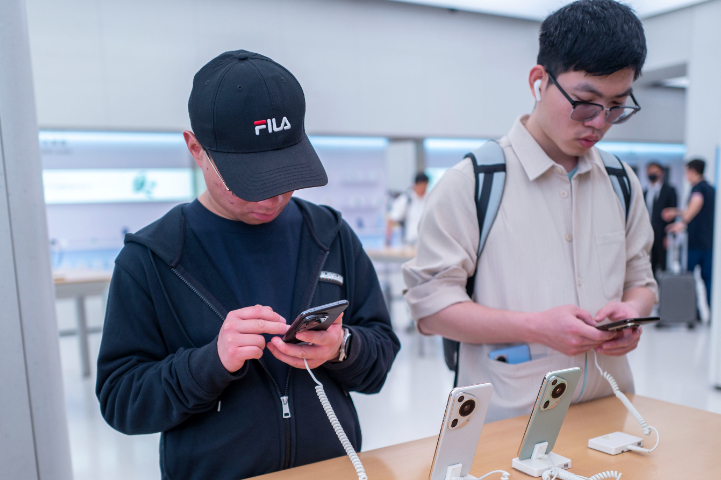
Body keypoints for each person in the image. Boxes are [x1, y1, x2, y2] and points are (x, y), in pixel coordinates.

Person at [95, 50, 400, 480]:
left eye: (285, 175)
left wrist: (343, 346)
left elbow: (381, 355)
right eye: (250, 180)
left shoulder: (328, 233)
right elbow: (121, 400)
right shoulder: (151, 258)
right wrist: (209, 363)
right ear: (196, 149)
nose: (271, 197)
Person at [403, 0, 657, 422]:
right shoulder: (473, 182)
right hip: (508, 426)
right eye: (586, 102)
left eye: (617, 107)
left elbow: (641, 279)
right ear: (539, 80)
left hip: (611, 414)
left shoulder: (620, 180)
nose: (599, 122)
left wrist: (632, 311)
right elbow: (431, 310)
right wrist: (536, 327)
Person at [663, 158, 715, 310]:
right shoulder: (710, 189)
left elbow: (696, 204)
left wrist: (682, 222)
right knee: (708, 280)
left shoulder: (697, 189)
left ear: (692, 171)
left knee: (689, 280)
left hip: (695, 243)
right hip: (708, 243)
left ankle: (692, 312)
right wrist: (677, 212)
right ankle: (711, 311)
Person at [644, 162, 677, 274]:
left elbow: (672, 213)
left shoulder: (669, 191)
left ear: (661, 173)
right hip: (647, 233)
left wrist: (669, 235)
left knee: (662, 263)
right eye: (649, 171)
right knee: (648, 263)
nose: (651, 173)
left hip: (662, 233)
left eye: (654, 171)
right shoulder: (644, 192)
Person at [386, 171, 429, 246]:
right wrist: (388, 242)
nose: (424, 190)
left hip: (425, 244)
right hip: (408, 244)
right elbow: (391, 219)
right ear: (416, 185)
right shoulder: (406, 199)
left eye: (426, 187)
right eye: (422, 187)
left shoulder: (428, 199)